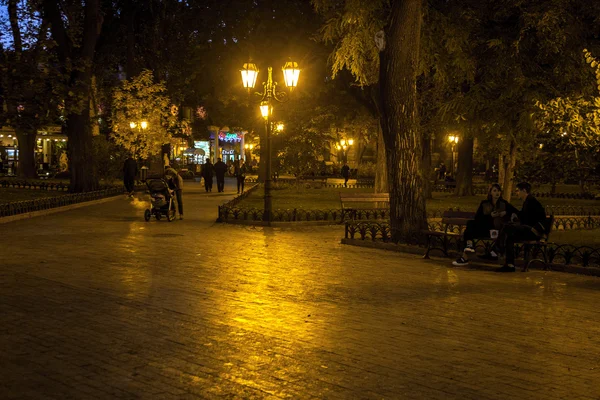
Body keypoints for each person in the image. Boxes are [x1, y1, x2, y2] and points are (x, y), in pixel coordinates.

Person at [453, 183, 518, 266]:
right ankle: (469, 246)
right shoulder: (484, 203)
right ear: (490, 192)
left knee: (469, 228)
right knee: (470, 225)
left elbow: (516, 212)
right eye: (494, 191)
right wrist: (490, 216)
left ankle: (465, 256)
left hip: (498, 231)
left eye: (498, 191)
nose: (497, 193)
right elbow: (478, 218)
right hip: (486, 229)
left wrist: (506, 212)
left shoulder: (504, 203)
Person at [495, 182, 548, 272]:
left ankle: (496, 250)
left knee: (507, 227)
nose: (516, 193)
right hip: (528, 229)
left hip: (534, 231)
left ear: (524, 190)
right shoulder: (527, 201)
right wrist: (513, 214)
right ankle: (510, 265)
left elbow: (527, 219)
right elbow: (524, 217)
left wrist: (513, 213)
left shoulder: (531, 201)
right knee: (510, 238)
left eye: (517, 191)